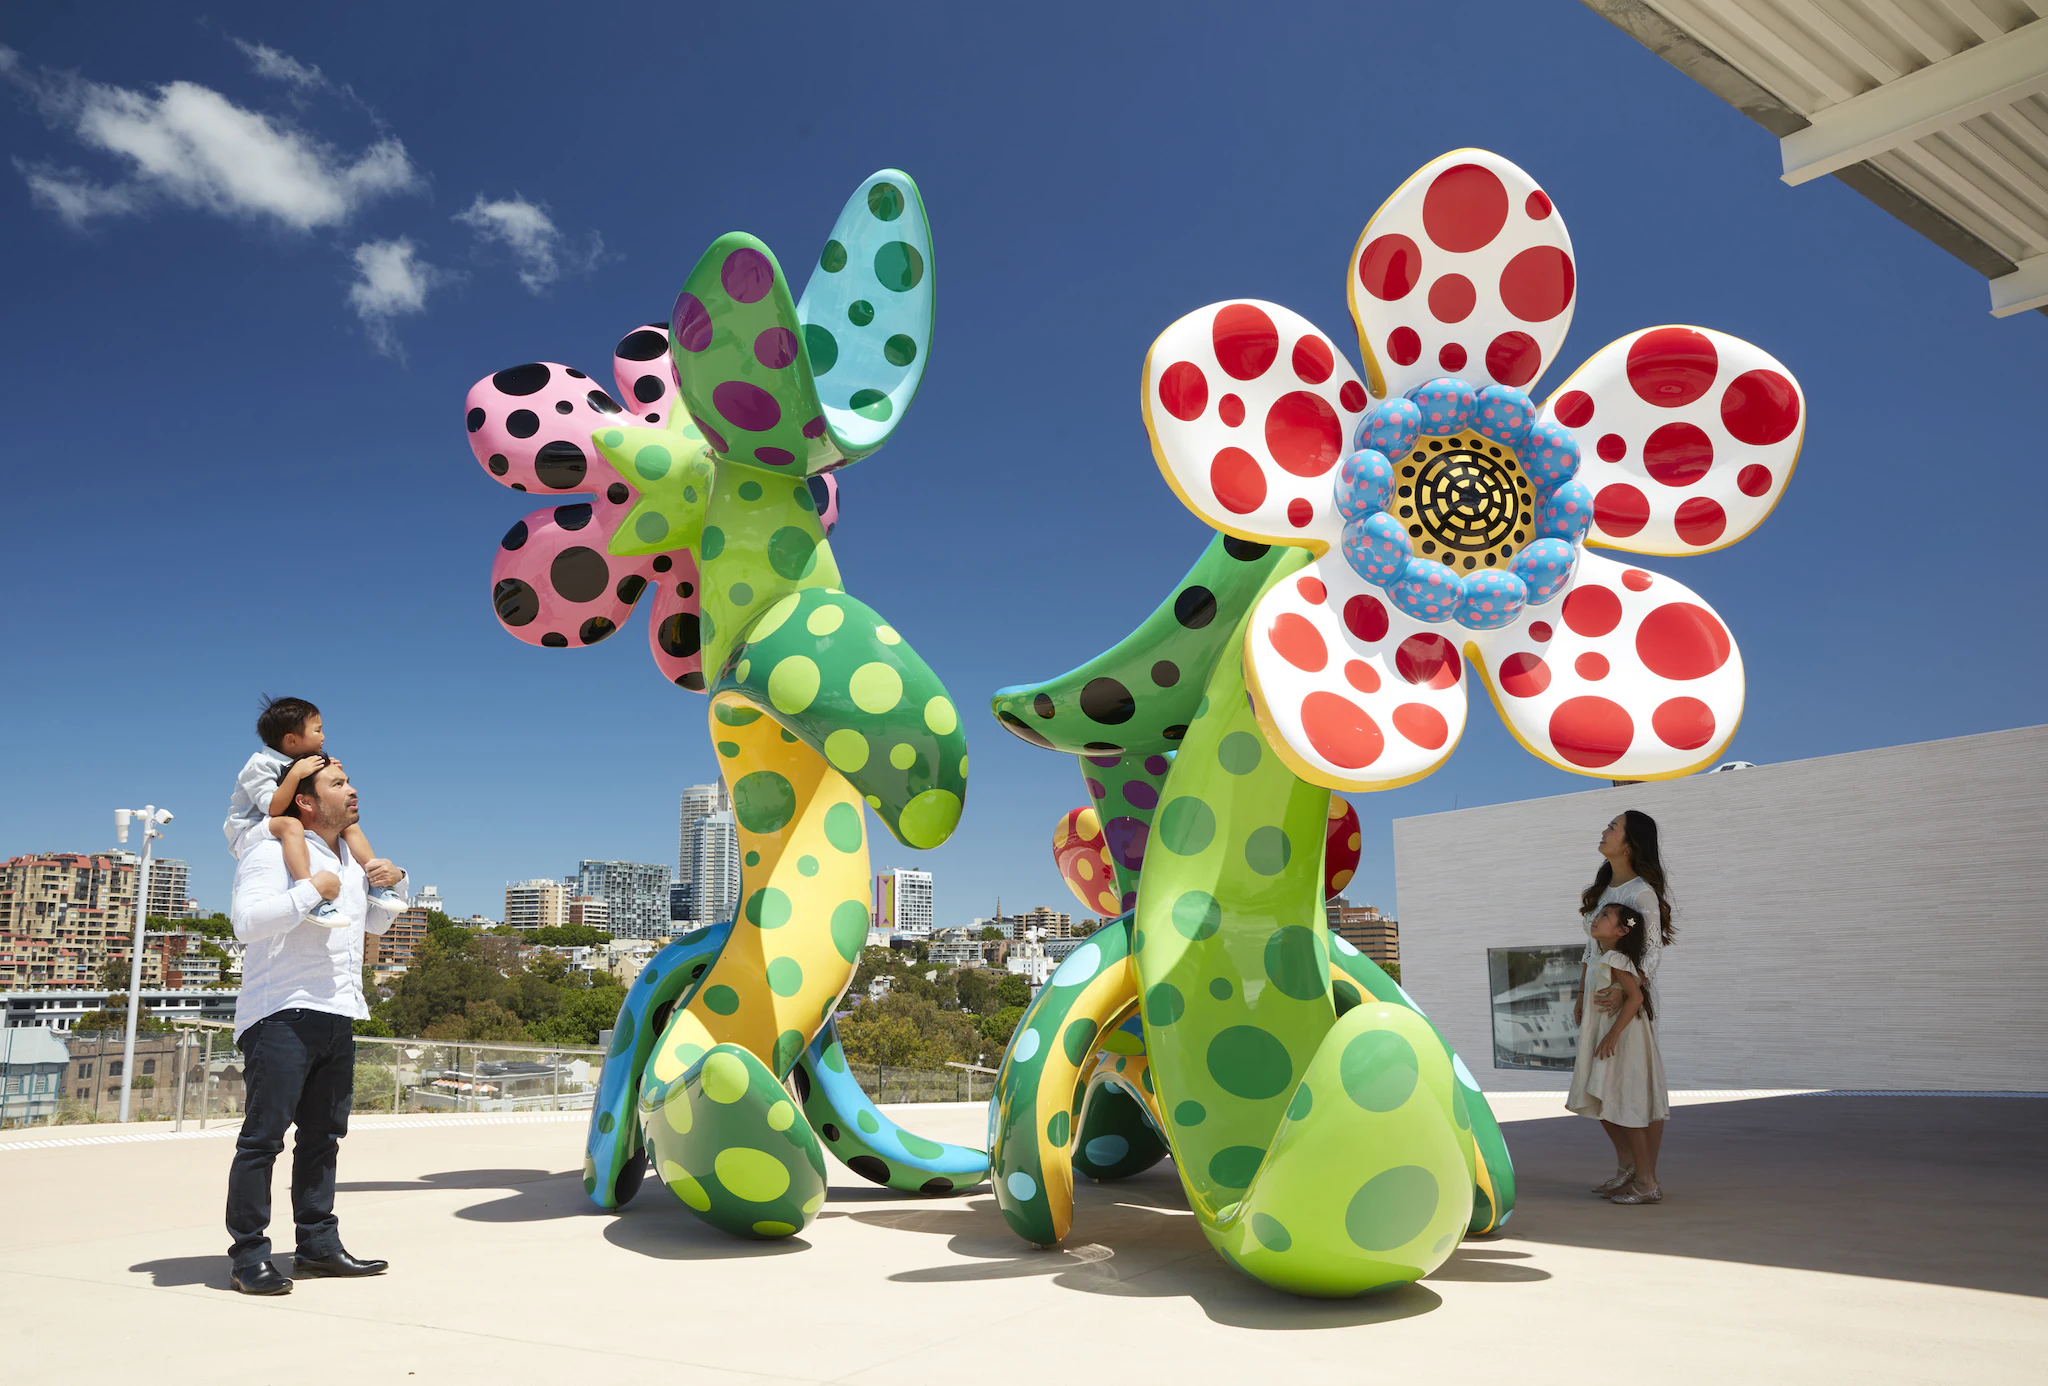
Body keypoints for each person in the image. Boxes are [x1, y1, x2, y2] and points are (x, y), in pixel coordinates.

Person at [225, 758, 406, 1296]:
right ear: (305, 801)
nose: (353, 790)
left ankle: (318, 1246)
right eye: (338, 783)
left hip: (339, 1012)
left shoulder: (349, 856)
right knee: (262, 1142)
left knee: (324, 1137)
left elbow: (371, 923)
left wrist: (387, 884)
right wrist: (314, 890)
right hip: (280, 1011)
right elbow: (247, 922)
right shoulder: (271, 847)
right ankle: (249, 1257)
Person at [226, 695, 402, 924]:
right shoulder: (260, 764)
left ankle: (377, 878)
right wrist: (297, 773)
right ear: (291, 740)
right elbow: (274, 808)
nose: (324, 736)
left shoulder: (301, 759)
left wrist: (328, 769)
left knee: (348, 825)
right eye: (317, 730)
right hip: (250, 829)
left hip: (280, 821)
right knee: (290, 825)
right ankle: (309, 890)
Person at [1572, 809, 1675, 1199]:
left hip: (1626, 1004)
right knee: (1595, 1083)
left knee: (1631, 1087)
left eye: (1612, 828)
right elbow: (1589, 949)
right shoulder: (1603, 893)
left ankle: (1644, 1177)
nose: (1603, 831)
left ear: (1629, 844)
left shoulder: (1641, 892)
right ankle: (1628, 1165)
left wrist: (1628, 989)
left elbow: (1651, 952)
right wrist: (1582, 993)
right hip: (1598, 1002)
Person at [1566, 903, 1669, 1203]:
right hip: (1609, 1033)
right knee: (1604, 1099)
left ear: (1623, 931)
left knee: (1625, 1105)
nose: (1596, 920)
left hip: (1623, 1037)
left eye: (1604, 917)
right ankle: (1631, 1171)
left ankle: (1647, 1183)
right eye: (1597, 915)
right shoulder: (1604, 955)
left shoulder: (1617, 958)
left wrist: (1612, 1034)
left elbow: (1635, 996)